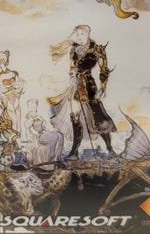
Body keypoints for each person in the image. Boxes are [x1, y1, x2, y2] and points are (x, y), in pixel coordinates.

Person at [47, 25, 116, 157]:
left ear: (88, 34)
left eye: (82, 34)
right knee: (75, 115)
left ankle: (109, 148)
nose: (79, 37)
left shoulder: (97, 49)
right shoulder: (74, 49)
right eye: (77, 34)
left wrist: (103, 88)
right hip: (76, 86)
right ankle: (74, 151)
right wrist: (72, 74)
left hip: (90, 86)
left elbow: (104, 70)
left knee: (97, 116)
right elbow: (72, 67)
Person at [0, 50, 24, 135]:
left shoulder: (8, 74)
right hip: (8, 99)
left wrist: (12, 88)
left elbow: (19, 85)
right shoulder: (3, 74)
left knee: (17, 122)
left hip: (13, 99)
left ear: (1, 61)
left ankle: (17, 140)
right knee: (14, 121)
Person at [25, 99, 64, 166]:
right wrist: (38, 134)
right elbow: (31, 131)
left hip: (44, 134)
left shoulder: (39, 117)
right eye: (31, 107)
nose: (33, 108)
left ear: (36, 107)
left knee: (60, 135)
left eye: (34, 106)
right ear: (28, 107)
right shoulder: (28, 120)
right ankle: (52, 159)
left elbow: (46, 127)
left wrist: (53, 130)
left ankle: (56, 158)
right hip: (38, 137)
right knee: (55, 136)